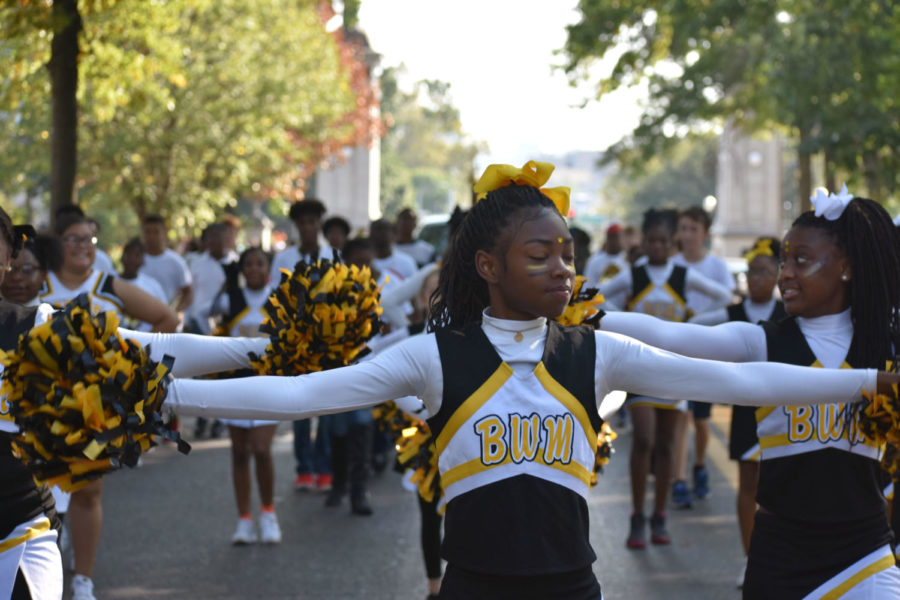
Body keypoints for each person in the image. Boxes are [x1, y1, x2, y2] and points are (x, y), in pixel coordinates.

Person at [159, 163, 899, 599]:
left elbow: (745, 384)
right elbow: (299, 394)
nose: (562, 269)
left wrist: (870, 383)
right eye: (539, 255)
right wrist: (168, 394)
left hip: (576, 588)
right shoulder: (434, 356)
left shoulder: (596, 351)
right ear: (489, 267)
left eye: (567, 253)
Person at [598, 186, 900, 598]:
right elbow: (671, 335)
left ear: (846, 266)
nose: (785, 274)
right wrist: (591, 317)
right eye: (784, 261)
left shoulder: (885, 345)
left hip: (863, 555)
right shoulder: (763, 341)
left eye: (802, 260)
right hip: (780, 556)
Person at [40, 214, 179, 600]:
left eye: (89, 239)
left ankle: (83, 579)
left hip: (93, 406)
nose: (83, 246)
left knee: (88, 491)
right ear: (57, 243)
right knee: (36, 493)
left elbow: (168, 318)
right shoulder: (37, 284)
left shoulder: (108, 286)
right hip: (39, 405)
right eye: (73, 239)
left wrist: (130, 368)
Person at [597, 208, 732, 547]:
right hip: (640, 367)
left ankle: (660, 516)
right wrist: (623, 320)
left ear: (671, 243)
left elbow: (724, 297)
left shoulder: (683, 276)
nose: (656, 247)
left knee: (668, 445)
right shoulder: (633, 275)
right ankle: (637, 516)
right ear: (644, 241)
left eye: (662, 241)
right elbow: (598, 298)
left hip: (675, 367)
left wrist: (695, 322)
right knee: (644, 440)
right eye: (651, 241)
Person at [689, 236, 786, 588]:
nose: (756, 278)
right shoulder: (732, 313)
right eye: (751, 272)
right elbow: (695, 326)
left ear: (777, 274)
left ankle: (781, 556)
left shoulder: (789, 314)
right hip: (747, 413)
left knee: (782, 487)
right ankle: (751, 559)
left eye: (763, 271)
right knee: (748, 484)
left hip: (783, 411)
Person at [210, 247, 282, 544]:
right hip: (234, 384)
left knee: (262, 450)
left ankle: (268, 513)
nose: (253, 268)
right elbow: (201, 315)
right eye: (248, 264)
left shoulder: (280, 300)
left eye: (259, 263)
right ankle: (244, 520)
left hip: (268, 384)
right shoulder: (230, 300)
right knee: (239, 453)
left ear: (268, 267)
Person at [671, 205, 737, 506]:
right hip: (674, 350)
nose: (687, 235)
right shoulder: (671, 265)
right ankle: (678, 480)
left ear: (704, 233)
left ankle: (698, 466)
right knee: (680, 414)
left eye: (692, 229)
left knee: (700, 419)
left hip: (706, 350)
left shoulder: (717, 268)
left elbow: (729, 303)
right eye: (683, 228)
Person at [269, 199, 334, 492]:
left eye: (312, 222)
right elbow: (273, 299)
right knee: (299, 405)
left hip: (327, 341)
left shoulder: (334, 255)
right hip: (294, 341)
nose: (308, 227)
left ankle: (324, 466)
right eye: (302, 223)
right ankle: (304, 468)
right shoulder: (283, 259)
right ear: (297, 226)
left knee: (325, 405)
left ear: (320, 224)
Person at [139, 213, 193, 313]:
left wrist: (176, 312)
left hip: (166, 321)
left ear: (164, 234)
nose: (151, 236)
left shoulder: (176, 262)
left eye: (156, 232)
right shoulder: (135, 260)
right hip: (138, 319)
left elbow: (188, 293)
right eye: (147, 232)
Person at [119, 237, 169, 331]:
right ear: (122, 257)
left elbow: (166, 316)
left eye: (137, 255)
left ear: (143, 260)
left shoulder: (152, 286)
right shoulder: (110, 282)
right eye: (128, 254)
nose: (132, 259)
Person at [371, 217, 418, 283]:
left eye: (386, 229)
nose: (382, 233)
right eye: (378, 229)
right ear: (370, 234)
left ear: (394, 234)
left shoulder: (407, 262)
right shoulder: (363, 263)